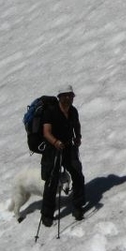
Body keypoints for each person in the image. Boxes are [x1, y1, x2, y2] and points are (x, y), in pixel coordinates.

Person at [40, 85, 86, 227]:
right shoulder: (50, 112)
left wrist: (77, 137)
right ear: (59, 97)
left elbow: (76, 125)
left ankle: (78, 206)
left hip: (67, 147)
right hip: (52, 150)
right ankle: (47, 214)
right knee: (52, 181)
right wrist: (55, 142)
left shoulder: (73, 111)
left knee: (78, 175)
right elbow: (46, 132)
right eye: (65, 96)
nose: (68, 98)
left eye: (70, 96)